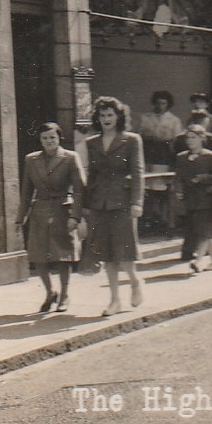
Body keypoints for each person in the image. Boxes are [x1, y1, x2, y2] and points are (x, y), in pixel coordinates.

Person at [82, 96, 146, 317]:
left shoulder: (131, 140)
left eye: (110, 115)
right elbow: (91, 175)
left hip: (123, 202)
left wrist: (137, 202)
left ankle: (135, 281)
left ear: (119, 117)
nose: (106, 119)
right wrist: (87, 205)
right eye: (102, 115)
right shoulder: (92, 143)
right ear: (97, 118)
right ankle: (115, 300)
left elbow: (138, 173)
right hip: (100, 203)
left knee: (125, 252)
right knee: (107, 254)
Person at [18, 121, 85, 314]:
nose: (49, 141)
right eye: (45, 138)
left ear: (59, 138)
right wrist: (20, 217)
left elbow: (80, 190)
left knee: (62, 255)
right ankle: (50, 293)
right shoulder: (31, 159)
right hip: (39, 211)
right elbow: (26, 191)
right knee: (39, 256)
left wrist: (75, 216)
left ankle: (64, 295)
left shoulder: (71, 158)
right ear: (40, 140)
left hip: (62, 210)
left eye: (52, 137)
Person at [175, 124, 212, 274]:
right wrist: (178, 190)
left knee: (204, 231)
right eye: (188, 138)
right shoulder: (181, 157)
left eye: (193, 137)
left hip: (207, 199)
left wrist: (202, 178)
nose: (189, 141)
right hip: (190, 200)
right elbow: (178, 177)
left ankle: (198, 262)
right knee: (204, 231)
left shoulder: (210, 156)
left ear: (202, 139)